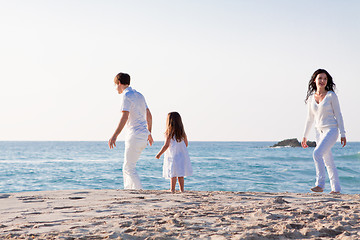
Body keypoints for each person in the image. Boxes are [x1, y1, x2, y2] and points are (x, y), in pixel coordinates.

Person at [301, 69, 346, 194]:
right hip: (318, 132)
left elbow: (339, 115)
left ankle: (320, 184)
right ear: (314, 80)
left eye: (325, 79)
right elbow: (309, 119)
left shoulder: (331, 95)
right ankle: (336, 189)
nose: (322, 81)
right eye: (320, 78)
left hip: (331, 130)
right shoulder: (311, 98)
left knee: (317, 153)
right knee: (328, 160)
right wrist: (304, 136)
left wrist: (343, 134)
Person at [109, 72, 154, 189]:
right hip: (143, 135)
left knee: (129, 167)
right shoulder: (140, 95)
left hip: (134, 135)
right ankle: (130, 190)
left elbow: (124, 117)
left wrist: (115, 135)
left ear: (119, 83)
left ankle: (138, 191)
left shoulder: (126, 95)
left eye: (115, 85)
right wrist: (149, 133)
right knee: (128, 166)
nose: (115, 88)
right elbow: (149, 115)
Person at [155, 112, 193, 193]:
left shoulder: (169, 133)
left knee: (173, 173)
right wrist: (180, 149)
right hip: (182, 156)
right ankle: (182, 189)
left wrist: (159, 154)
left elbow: (166, 145)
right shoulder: (182, 133)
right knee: (180, 174)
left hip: (173, 156)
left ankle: (172, 189)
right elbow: (186, 144)